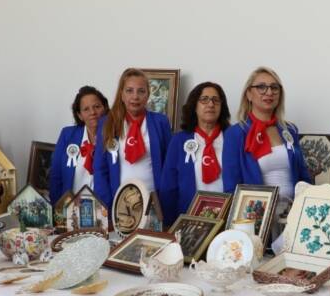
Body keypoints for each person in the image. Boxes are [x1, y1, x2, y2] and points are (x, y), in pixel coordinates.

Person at [222, 67, 312, 212]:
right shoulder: (235, 134)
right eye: (261, 87)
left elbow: (303, 176)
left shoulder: (290, 130)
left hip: (293, 212)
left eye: (274, 87)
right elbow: (231, 186)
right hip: (257, 215)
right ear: (249, 94)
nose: (269, 92)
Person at [93, 68, 171, 210]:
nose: (135, 96)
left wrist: (165, 204)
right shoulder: (107, 123)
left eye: (141, 91)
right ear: (121, 94)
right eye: (129, 91)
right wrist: (107, 206)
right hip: (119, 203)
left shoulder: (161, 122)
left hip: (153, 202)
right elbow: (100, 169)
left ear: (148, 95)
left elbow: (168, 167)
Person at [160, 81, 230, 219]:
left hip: (227, 216)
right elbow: (168, 185)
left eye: (216, 100)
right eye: (204, 99)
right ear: (194, 106)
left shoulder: (233, 137)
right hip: (189, 217)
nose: (211, 104)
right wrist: (169, 222)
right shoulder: (179, 140)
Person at [49, 86, 108, 200]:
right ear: (80, 115)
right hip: (71, 207)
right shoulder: (67, 135)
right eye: (86, 109)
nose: (92, 112)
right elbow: (56, 176)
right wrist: (59, 207)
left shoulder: (114, 137)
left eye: (97, 107)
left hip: (103, 207)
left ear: (104, 108)